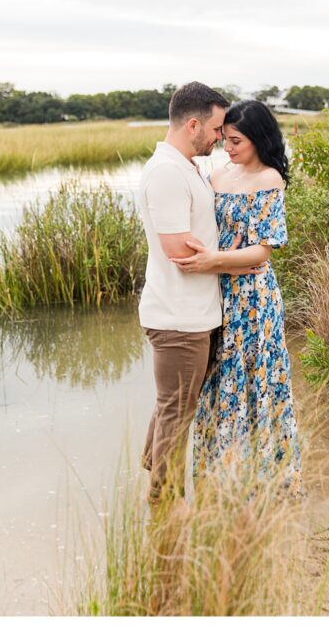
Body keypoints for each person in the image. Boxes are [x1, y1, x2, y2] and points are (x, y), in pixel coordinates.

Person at [137, 81, 267, 502]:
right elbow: (180, 251)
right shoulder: (167, 173)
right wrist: (231, 260)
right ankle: (164, 511)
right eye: (214, 130)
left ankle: (155, 477)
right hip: (178, 320)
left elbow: (198, 244)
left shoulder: (188, 166)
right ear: (192, 124)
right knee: (177, 415)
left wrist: (220, 257)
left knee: (171, 407)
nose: (219, 137)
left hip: (193, 315)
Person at [169, 99, 302, 496]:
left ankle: (264, 482)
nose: (228, 148)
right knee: (218, 382)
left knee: (255, 379)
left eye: (237, 141)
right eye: (225, 139)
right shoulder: (217, 173)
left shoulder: (268, 179)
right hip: (217, 290)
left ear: (259, 138)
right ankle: (218, 482)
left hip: (253, 296)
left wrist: (216, 261)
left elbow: (264, 250)